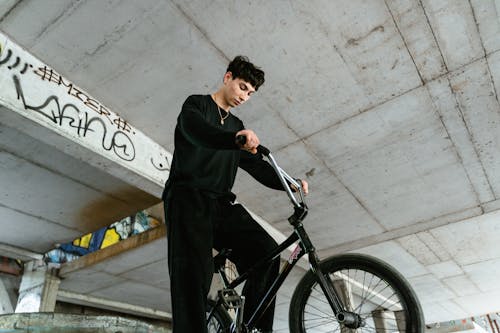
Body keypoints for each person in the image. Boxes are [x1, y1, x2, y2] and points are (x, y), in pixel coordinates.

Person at [162, 55, 308, 333]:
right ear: (227, 77)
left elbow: (256, 166)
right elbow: (198, 133)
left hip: (220, 203)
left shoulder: (237, 124)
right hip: (187, 199)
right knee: (193, 276)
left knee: (266, 254)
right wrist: (234, 140)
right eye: (243, 87)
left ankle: (253, 329)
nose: (245, 96)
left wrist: (290, 183)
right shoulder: (196, 105)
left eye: (251, 93)